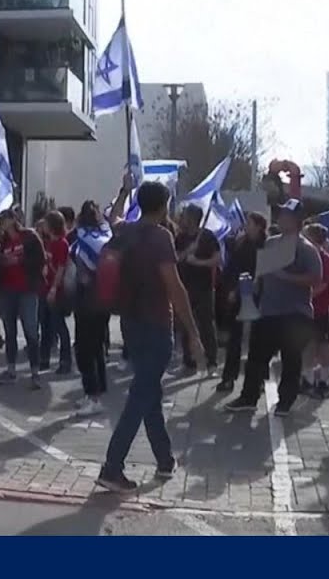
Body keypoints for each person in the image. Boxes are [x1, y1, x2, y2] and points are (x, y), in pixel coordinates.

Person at [96, 181, 204, 492]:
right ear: (164, 205)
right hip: (156, 324)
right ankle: (112, 466)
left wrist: (122, 191)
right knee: (141, 395)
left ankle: (164, 459)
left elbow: (111, 216)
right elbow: (174, 287)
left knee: (149, 391)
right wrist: (193, 334)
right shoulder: (161, 238)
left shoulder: (126, 230)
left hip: (130, 324)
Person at [225, 199, 322, 417]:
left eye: (287, 215)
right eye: (281, 214)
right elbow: (262, 273)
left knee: (291, 359)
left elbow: (316, 279)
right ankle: (249, 397)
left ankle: (285, 401)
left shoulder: (306, 249)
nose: (281, 218)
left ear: (297, 220)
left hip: (295, 313)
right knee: (256, 356)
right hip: (268, 310)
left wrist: (287, 276)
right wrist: (251, 288)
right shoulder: (270, 243)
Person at [0, 209, 45, 388]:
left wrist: (19, 262)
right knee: (10, 331)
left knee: (31, 331)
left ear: (14, 220)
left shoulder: (29, 236)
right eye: (1, 220)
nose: (3, 223)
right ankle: (11, 369)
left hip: (27, 290)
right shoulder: (2, 241)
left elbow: (40, 259)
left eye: (6, 219)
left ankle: (35, 372)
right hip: (8, 290)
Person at [217, 211, 267, 392]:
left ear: (259, 226)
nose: (246, 225)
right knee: (234, 340)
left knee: (258, 342)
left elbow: (260, 272)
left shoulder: (266, 246)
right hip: (238, 299)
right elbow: (232, 268)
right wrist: (231, 289)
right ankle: (229, 377)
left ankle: (258, 379)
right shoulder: (241, 243)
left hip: (258, 298)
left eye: (250, 223)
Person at [70, 201, 112, 416]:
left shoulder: (81, 239)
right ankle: (97, 391)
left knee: (84, 349)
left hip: (88, 300)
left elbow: (82, 270)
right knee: (97, 347)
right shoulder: (106, 234)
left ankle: (92, 395)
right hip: (105, 299)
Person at [175, 204, 222, 374]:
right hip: (184, 287)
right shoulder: (180, 237)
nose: (182, 217)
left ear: (193, 218)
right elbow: (176, 258)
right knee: (186, 324)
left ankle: (212, 361)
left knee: (206, 324)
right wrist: (188, 251)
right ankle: (189, 361)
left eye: (185, 215)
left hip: (204, 288)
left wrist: (198, 262)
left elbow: (217, 259)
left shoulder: (207, 237)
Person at [301, 223, 329, 399]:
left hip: (321, 310)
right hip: (306, 311)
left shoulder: (326, 259)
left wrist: (305, 296)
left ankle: (323, 382)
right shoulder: (305, 256)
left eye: (306, 235)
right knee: (308, 346)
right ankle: (308, 380)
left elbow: (323, 285)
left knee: (323, 347)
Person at [39, 211, 73, 375]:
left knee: (59, 325)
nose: (43, 226)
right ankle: (43, 359)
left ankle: (65, 361)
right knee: (45, 325)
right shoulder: (47, 243)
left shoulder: (62, 243)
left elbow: (60, 267)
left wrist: (54, 288)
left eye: (46, 223)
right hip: (44, 287)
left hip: (56, 290)